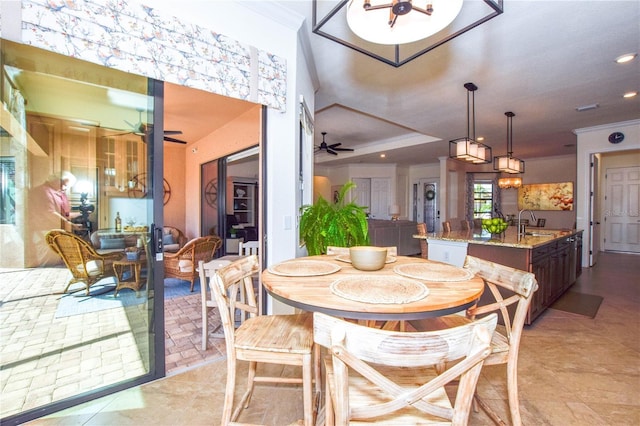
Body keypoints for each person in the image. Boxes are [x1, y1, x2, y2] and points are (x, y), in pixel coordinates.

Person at [28, 171, 82, 266]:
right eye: (64, 184)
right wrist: (69, 225)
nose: (64, 188)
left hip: (52, 232)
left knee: (55, 260)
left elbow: (63, 213)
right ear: (56, 180)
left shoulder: (55, 192)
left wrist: (80, 213)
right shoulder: (43, 191)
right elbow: (50, 213)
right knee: (48, 262)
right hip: (44, 232)